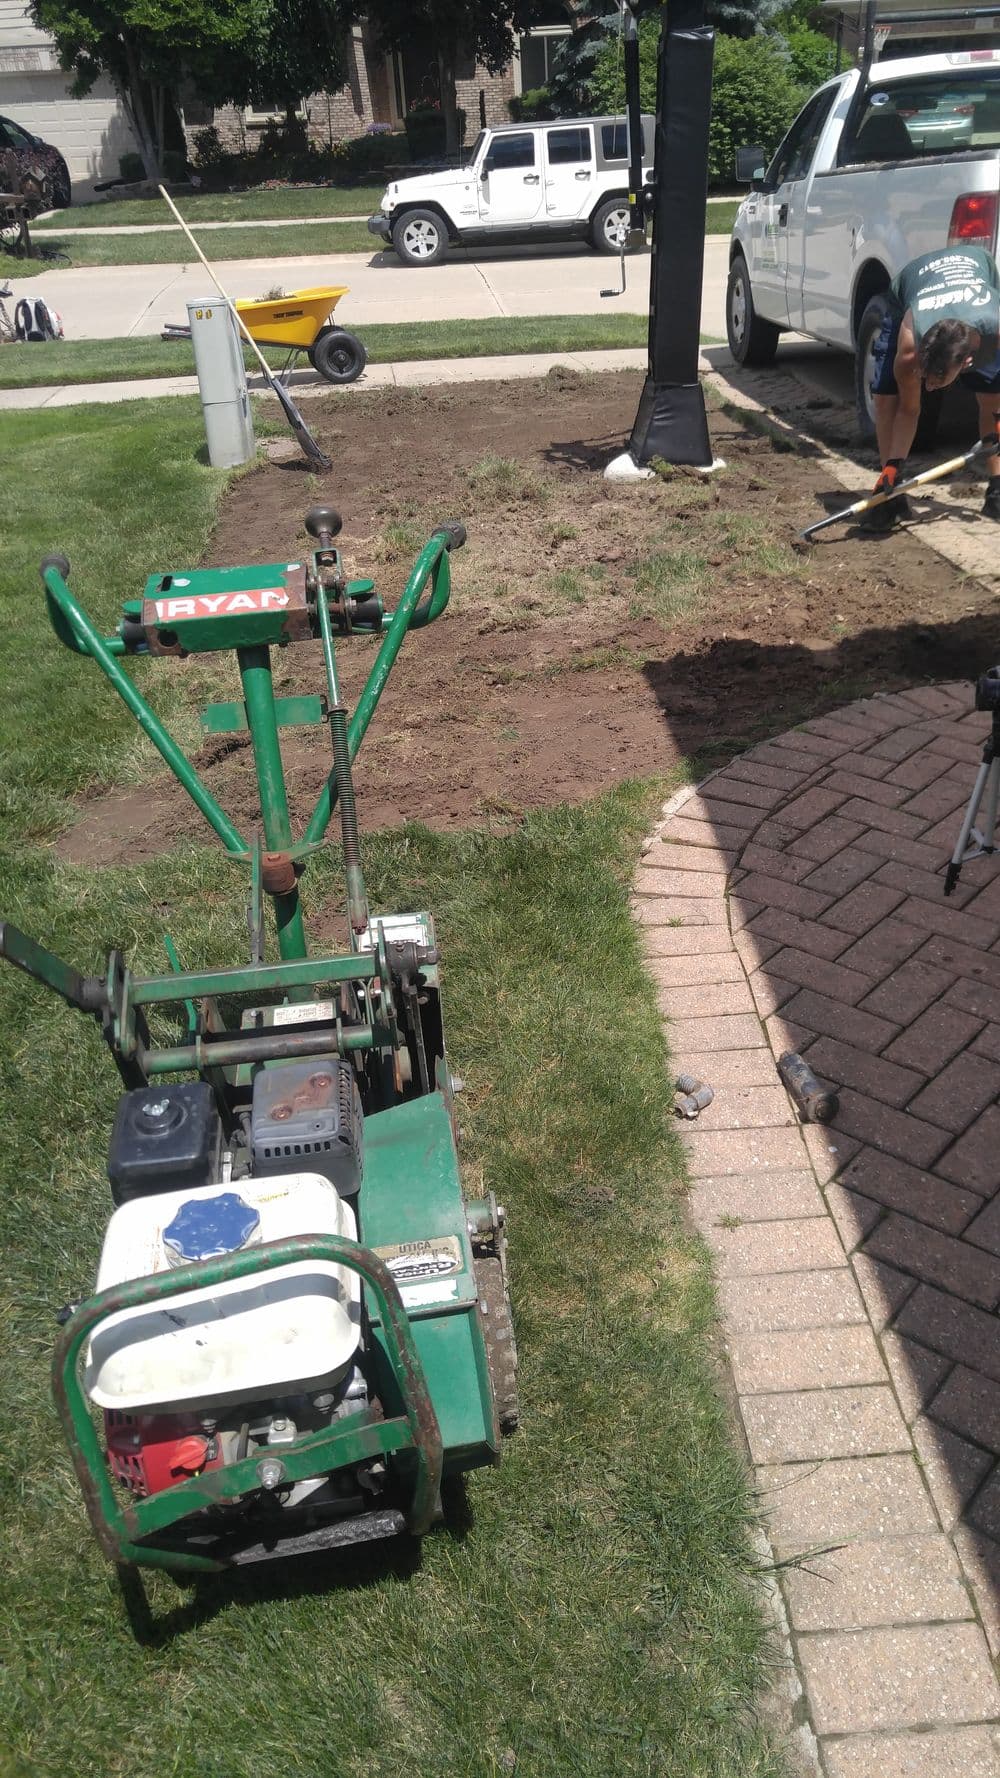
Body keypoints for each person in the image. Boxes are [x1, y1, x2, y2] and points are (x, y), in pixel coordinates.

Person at [862, 243, 1000, 532]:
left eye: (936, 381)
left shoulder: (994, 326)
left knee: (993, 398)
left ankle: (997, 491)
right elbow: (909, 411)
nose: (929, 387)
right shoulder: (910, 351)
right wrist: (894, 464)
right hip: (912, 288)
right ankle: (890, 491)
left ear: (967, 362)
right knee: (886, 400)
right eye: (926, 378)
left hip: (976, 265)